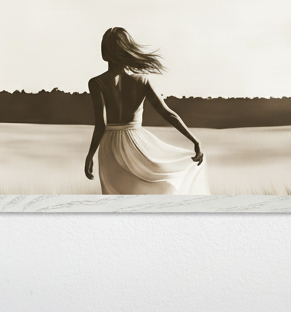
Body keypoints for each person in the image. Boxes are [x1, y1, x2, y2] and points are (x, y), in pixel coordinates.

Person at [84, 27, 209, 195]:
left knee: (114, 200)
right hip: (137, 143)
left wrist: (90, 155)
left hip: (110, 147)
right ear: (127, 50)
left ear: (104, 52)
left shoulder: (97, 83)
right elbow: (167, 113)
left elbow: (101, 125)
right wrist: (195, 140)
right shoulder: (141, 80)